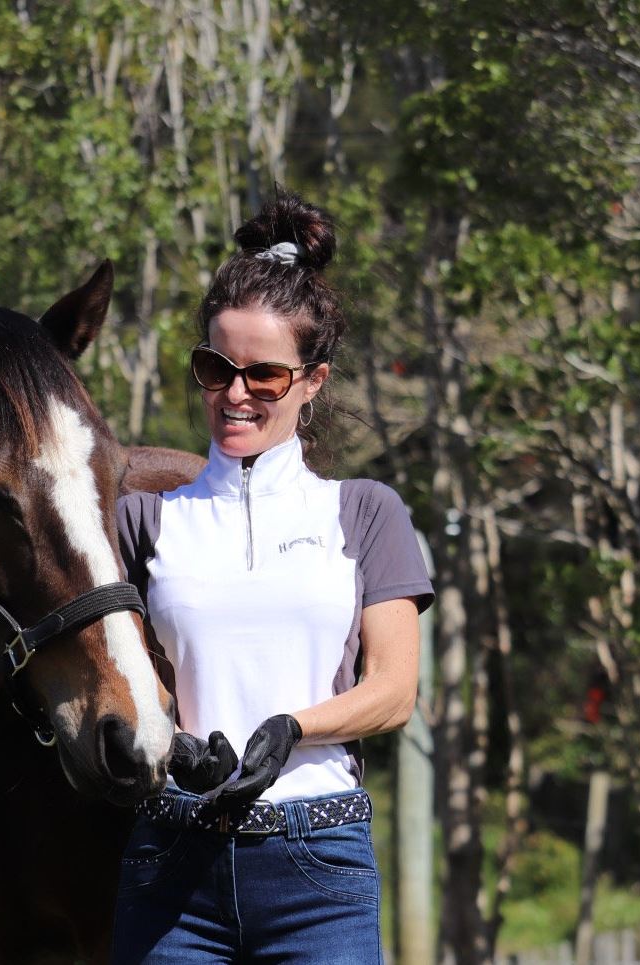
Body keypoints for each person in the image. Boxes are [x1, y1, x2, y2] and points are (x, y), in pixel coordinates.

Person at [111, 189, 435, 964]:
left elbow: (392, 692)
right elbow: (120, 677)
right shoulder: (142, 521)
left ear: (312, 379)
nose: (234, 394)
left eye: (263, 376)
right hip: (170, 864)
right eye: (214, 367)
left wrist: (290, 727)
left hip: (316, 862)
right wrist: (174, 739)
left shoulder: (364, 513)